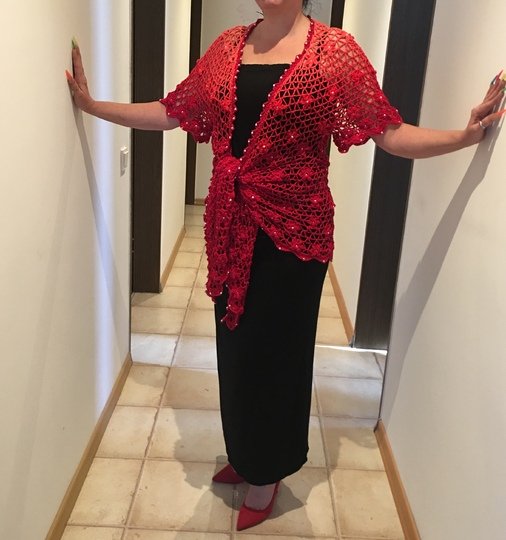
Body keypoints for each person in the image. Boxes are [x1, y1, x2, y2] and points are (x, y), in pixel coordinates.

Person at [66, 0, 505, 531]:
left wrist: (463, 136)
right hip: (230, 225)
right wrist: (94, 106)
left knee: (278, 356)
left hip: (294, 236)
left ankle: (268, 469)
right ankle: (246, 452)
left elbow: (388, 131)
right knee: (235, 349)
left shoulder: (334, 52)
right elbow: (172, 110)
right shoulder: (228, 46)